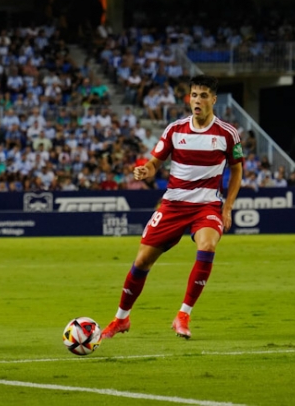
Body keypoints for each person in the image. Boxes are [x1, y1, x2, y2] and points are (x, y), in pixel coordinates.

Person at [100, 75, 244, 340]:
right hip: (173, 205)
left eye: (203, 95)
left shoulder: (227, 133)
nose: (197, 100)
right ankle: (121, 319)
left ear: (213, 99)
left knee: (208, 245)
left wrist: (227, 208)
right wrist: (146, 170)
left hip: (207, 206)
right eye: (193, 95)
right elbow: (155, 162)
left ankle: (183, 315)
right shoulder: (175, 129)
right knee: (142, 261)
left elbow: (237, 170)